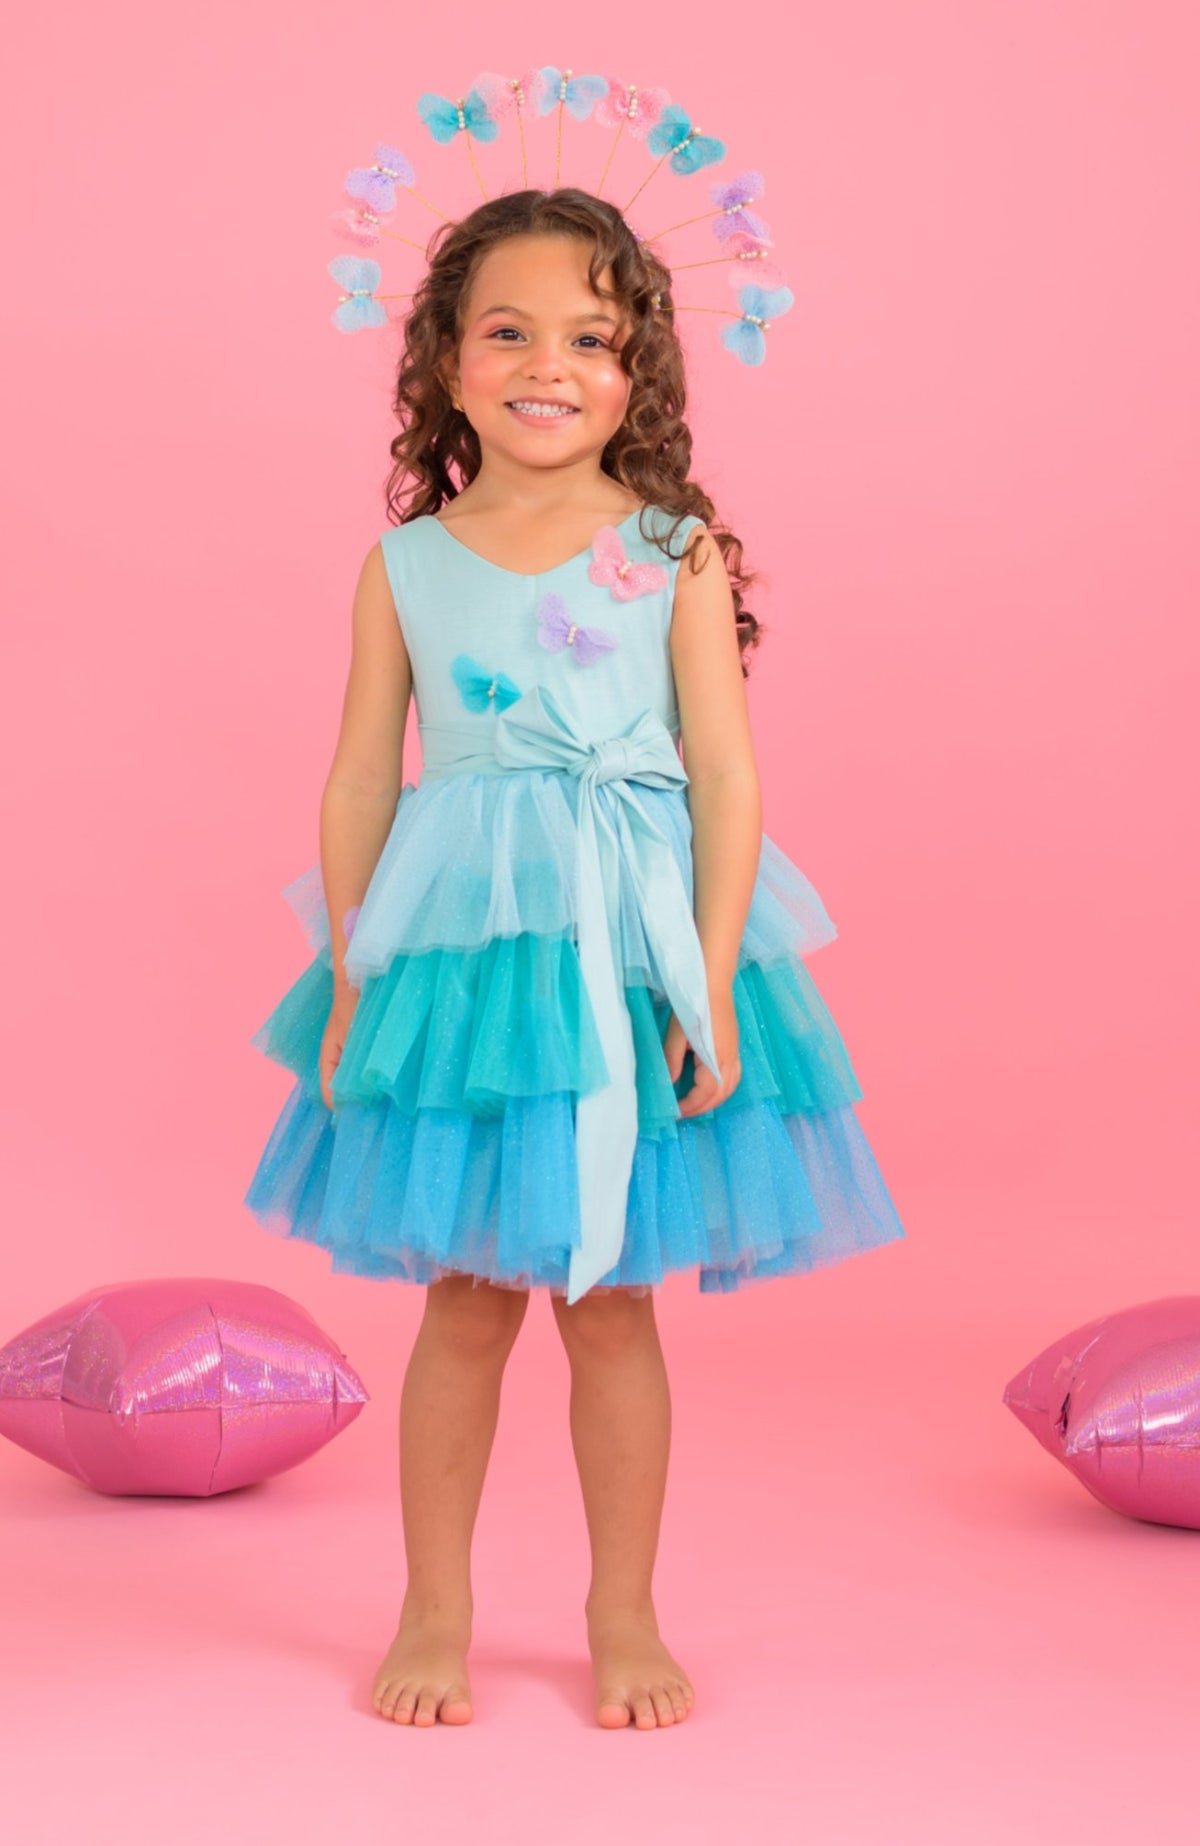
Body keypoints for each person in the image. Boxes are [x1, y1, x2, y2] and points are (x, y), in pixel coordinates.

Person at [244, 187, 906, 1731]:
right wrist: (354, 968)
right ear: (446, 360)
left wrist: (713, 973)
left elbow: (723, 771)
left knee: (612, 1302)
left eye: (592, 339)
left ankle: (624, 1610)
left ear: (638, 370)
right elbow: (362, 773)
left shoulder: (670, 549)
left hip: (628, 946)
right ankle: (435, 1607)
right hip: (471, 968)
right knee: (467, 1297)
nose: (550, 364)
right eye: (510, 331)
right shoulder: (408, 564)